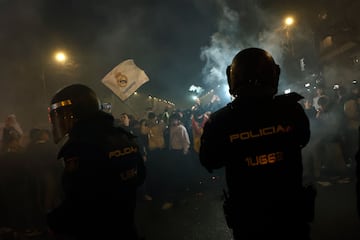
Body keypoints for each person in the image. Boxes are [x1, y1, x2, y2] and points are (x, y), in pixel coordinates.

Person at [199, 47, 315, 240]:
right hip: (290, 214)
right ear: (273, 74)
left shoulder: (220, 121)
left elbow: (209, 161)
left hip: (249, 219)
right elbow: (303, 139)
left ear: (233, 78)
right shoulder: (291, 110)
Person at [46, 84, 146, 240]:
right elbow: (140, 177)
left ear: (75, 113)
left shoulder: (80, 146)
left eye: (60, 114)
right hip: (126, 226)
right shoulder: (123, 137)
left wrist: (52, 221)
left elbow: (79, 200)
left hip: (95, 230)